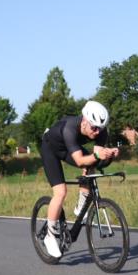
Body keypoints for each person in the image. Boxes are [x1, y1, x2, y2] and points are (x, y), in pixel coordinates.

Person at [39, 100, 120, 258]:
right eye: (94, 128)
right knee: (61, 192)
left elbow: (96, 159)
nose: (97, 132)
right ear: (84, 121)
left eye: (100, 128)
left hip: (68, 149)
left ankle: (81, 206)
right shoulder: (69, 129)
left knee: (91, 164)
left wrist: (109, 155)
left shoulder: (100, 132)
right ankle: (50, 235)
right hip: (50, 148)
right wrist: (97, 155)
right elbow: (80, 161)